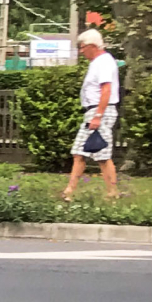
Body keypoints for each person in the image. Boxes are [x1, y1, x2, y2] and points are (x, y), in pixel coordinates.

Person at [62, 27, 121, 201]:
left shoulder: (103, 62)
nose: (81, 51)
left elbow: (106, 90)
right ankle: (69, 190)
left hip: (100, 111)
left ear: (92, 45)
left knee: (102, 154)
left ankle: (112, 192)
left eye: (82, 47)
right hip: (94, 111)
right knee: (79, 152)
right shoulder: (97, 63)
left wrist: (98, 115)